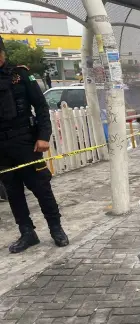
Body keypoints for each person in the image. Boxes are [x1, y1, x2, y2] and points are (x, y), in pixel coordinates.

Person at [0, 36, 69, 253]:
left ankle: (56, 228)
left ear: (2, 54)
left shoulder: (21, 75)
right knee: (13, 191)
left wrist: (43, 136)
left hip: (26, 143)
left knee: (41, 187)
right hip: (1, 147)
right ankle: (27, 233)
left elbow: (40, 107)